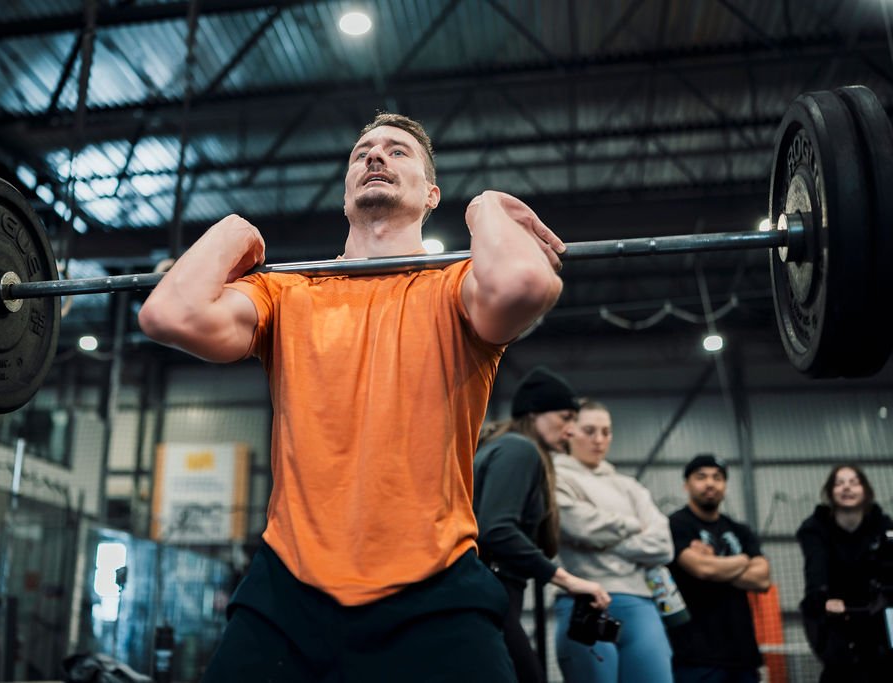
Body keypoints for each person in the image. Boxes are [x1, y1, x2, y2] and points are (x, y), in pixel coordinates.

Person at [139, 112, 566, 681]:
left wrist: (485, 207)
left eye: (398, 151)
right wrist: (234, 232)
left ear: (431, 194)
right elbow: (169, 314)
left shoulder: (456, 287)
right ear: (346, 194)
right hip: (289, 590)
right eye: (362, 152)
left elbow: (525, 283)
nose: (375, 156)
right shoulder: (285, 291)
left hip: (435, 587)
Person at [474, 367, 611, 683]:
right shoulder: (518, 449)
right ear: (533, 413)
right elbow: (496, 529)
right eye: (565, 417)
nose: (571, 430)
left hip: (493, 590)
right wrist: (566, 580)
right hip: (492, 589)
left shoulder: (501, 447)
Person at [552, 400, 675, 683]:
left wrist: (602, 542)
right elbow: (579, 526)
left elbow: (663, 544)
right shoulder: (555, 479)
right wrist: (633, 525)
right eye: (590, 431)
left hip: (641, 604)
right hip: (584, 603)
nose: (599, 440)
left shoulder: (629, 487)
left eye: (606, 432)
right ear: (569, 432)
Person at [667, 453, 771, 683]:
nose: (710, 483)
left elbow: (763, 579)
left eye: (717, 477)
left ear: (725, 485)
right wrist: (743, 560)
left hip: (743, 654)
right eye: (701, 477)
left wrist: (715, 563)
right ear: (686, 485)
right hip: (695, 656)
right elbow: (703, 569)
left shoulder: (739, 529)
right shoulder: (676, 525)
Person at [796, 464, 893, 682]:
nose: (846, 488)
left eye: (853, 482)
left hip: (875, 616)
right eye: (839, 483)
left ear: (865, 491)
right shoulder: (815, 527)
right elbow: (815, 568)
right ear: (830, 492)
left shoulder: (883, 525)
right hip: (836, 616)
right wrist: (823, 597)